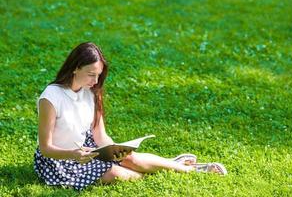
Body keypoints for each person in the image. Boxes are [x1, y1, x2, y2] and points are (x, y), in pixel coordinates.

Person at [33, 42, 227, 191]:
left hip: (87, 149)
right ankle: (172, 166)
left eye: (99, 75)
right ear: (75, 68)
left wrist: (113, 150)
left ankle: (191, 168)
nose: (96, 81)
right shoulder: (51, 98)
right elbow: (46, 148)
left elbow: (100, 135)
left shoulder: (92, 91)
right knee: (118, 174)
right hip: (59, 161)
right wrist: (73, 155)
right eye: (91, 74)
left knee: (132, 159)